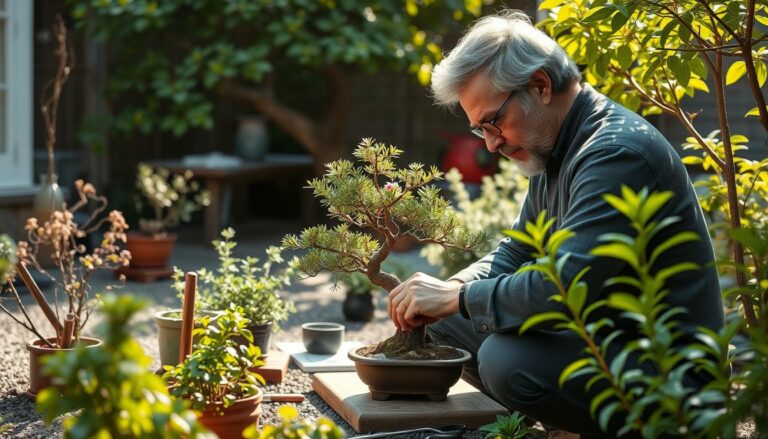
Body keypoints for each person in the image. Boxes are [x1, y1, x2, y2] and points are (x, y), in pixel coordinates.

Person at [386, 9, 725, 438]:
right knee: (449, 323)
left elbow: (563, 287)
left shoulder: (615, 153)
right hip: (604, 343)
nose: (490, 144)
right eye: (479, 130)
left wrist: (462, 297)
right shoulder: (556, 147)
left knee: (505, 360)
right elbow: (518, 250)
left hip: (671, 378)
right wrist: (452, 291)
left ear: (540, 86)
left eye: (493, 122)